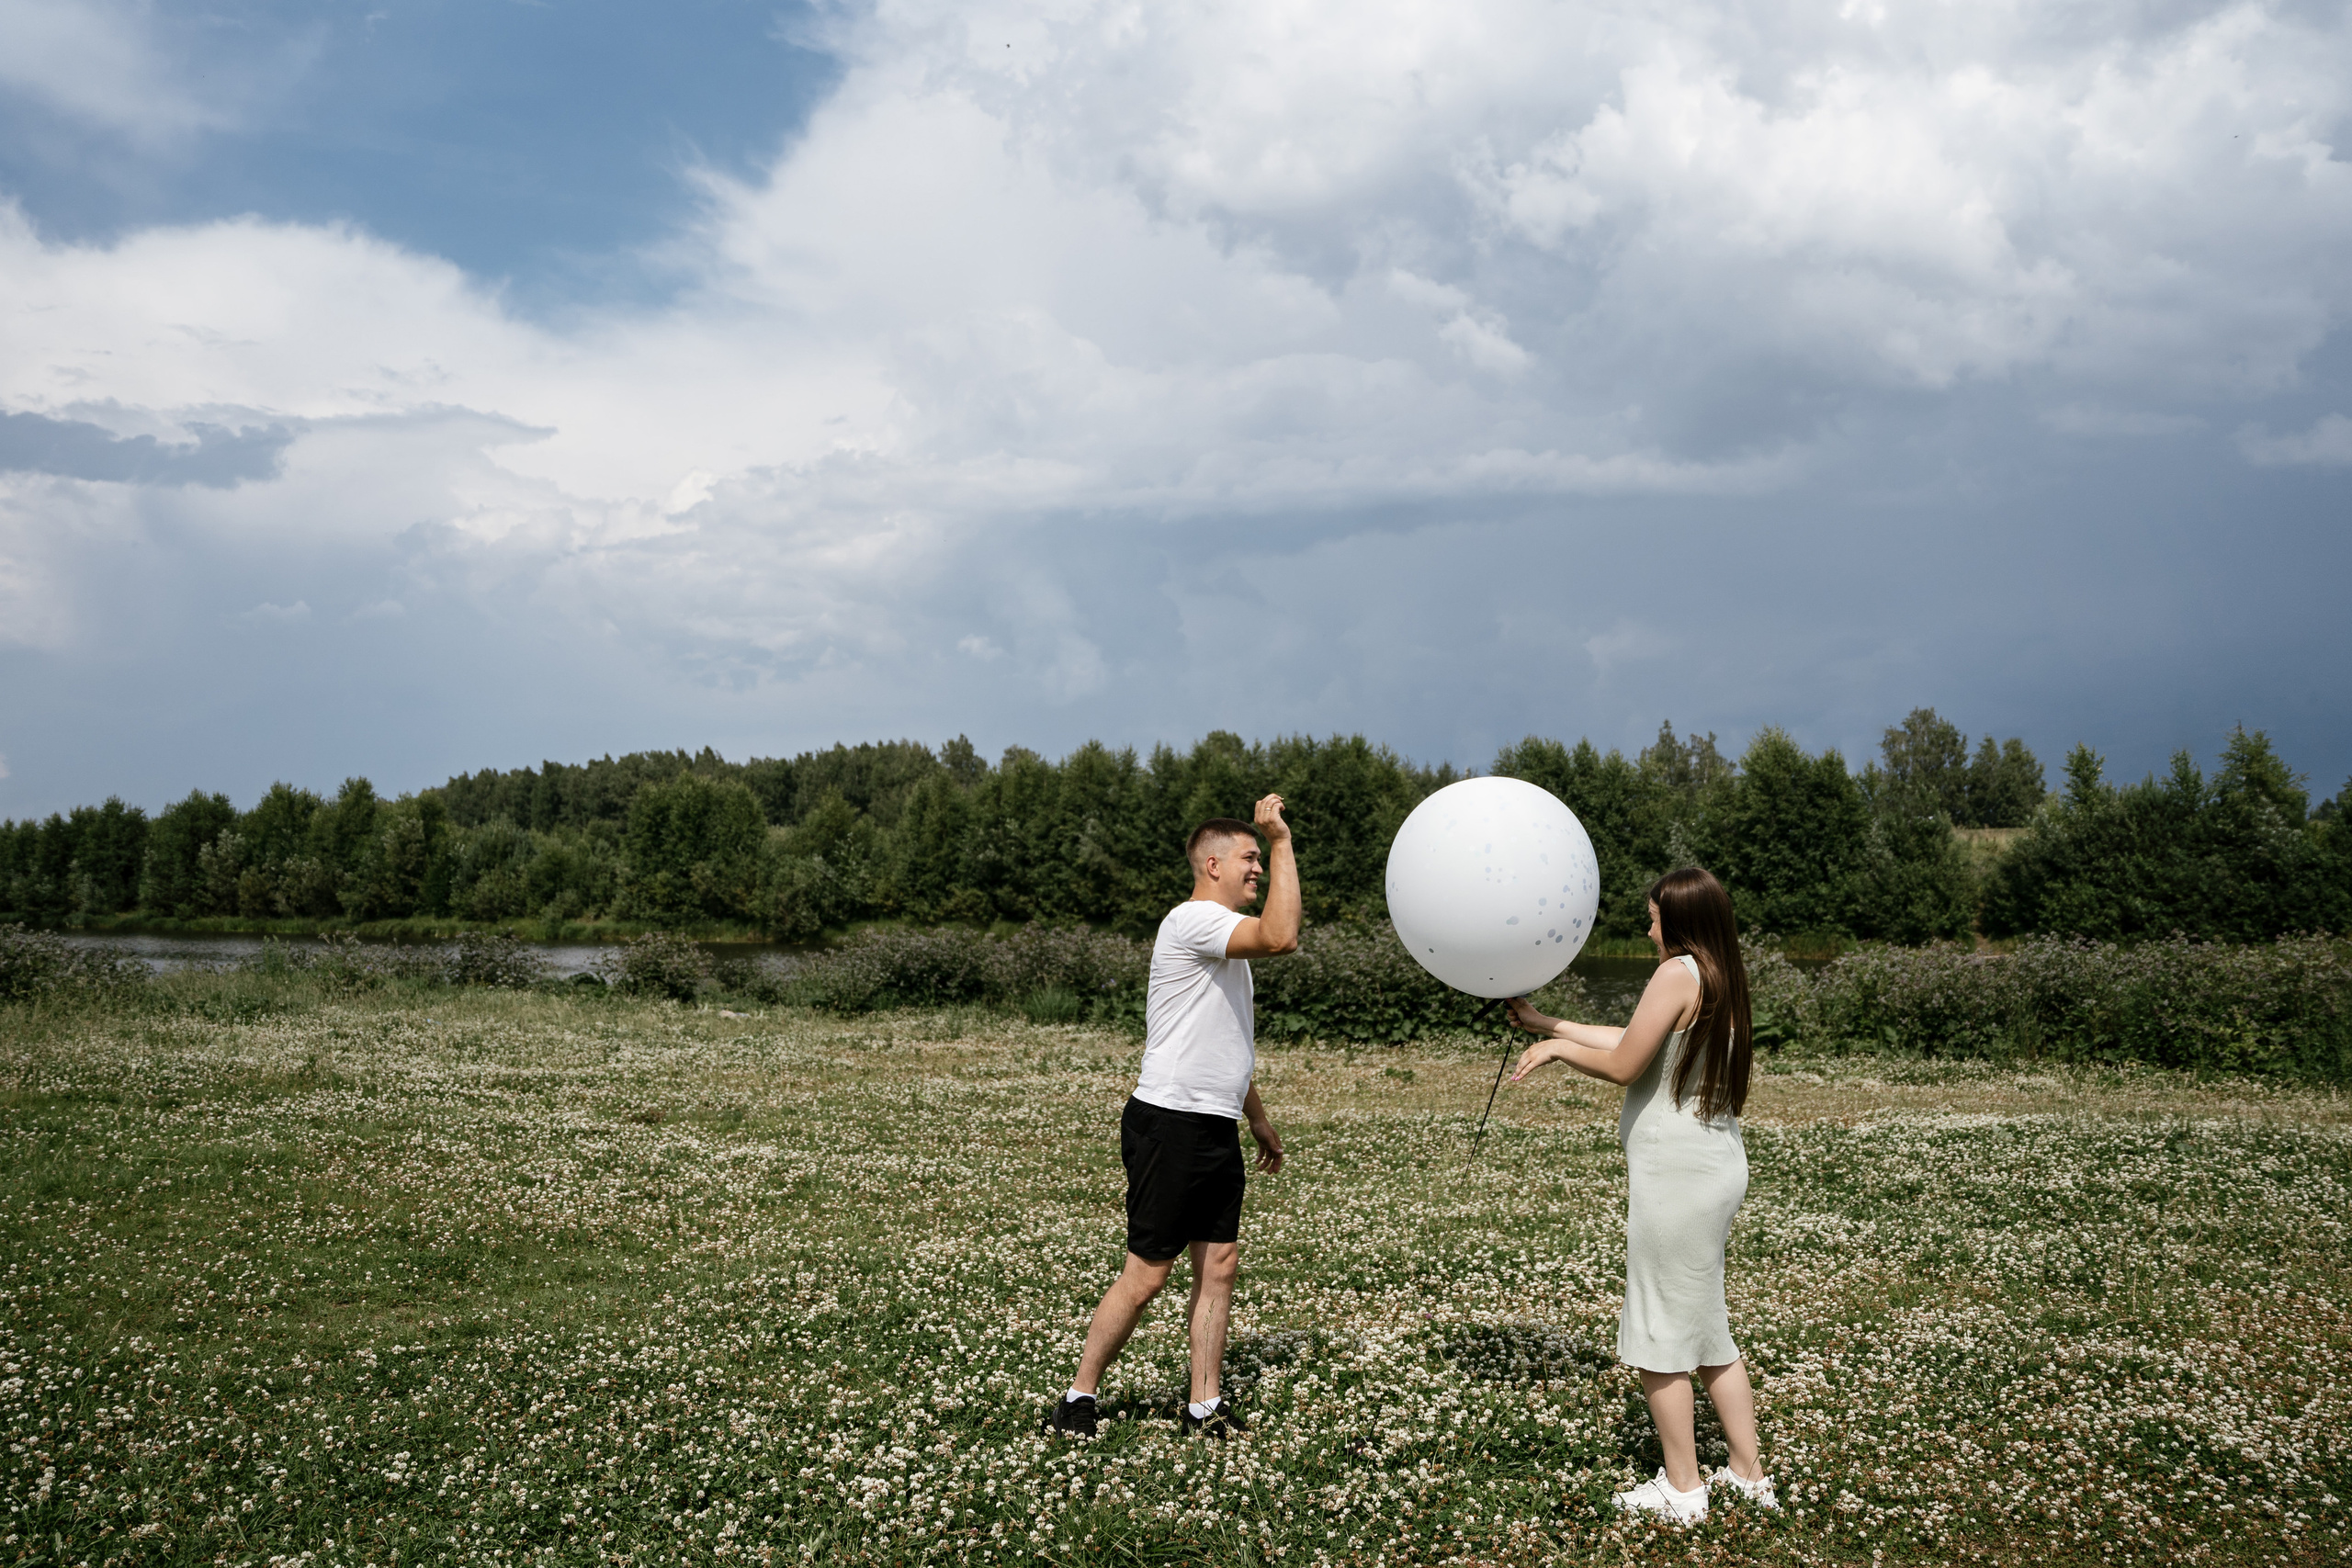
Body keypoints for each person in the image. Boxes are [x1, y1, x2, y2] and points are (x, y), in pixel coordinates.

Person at [1503, 866, 1777, 1524]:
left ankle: (1683, 1489)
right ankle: (1748, 1473)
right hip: (1712, 1167)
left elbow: (1626, 1063)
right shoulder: (1718, 975)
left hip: (1677, 1180)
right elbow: (1637, 1044)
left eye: (1654, 915)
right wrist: (1550, 1025)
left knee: (1658, 1330)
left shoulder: (1676, 971)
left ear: (1679, 922)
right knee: (1710, 1331)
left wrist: (1559, 1050)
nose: (1647, 925)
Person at [1046, 795, 1298, 1440]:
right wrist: (1281, 840)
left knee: (1219, 1263)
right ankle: (1078, 1395)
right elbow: (1282, 935)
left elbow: (1223, 1041)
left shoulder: (1221, 944)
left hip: (1212, 1121)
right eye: (1248, 859)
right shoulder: (1193, 923)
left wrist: (1257, 1118)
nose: (1258, 871)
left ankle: (1203, 1406)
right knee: (1147, 1272)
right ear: (1212, 864)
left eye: (1260, 859)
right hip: (1169, 1119)